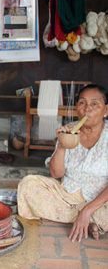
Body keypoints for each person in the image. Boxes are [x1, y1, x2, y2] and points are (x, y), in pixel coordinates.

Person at [18, 84, 108, 242]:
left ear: (106, 110)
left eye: (94, 104)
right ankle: (91, 221)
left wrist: (87, 210)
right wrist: (61, 145)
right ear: (76, 108)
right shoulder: (69, 131)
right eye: (82, 103)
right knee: (28, 184)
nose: (87, 109)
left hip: (101, 198)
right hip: (66, 194)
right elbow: (56, 174)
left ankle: (87, 216)